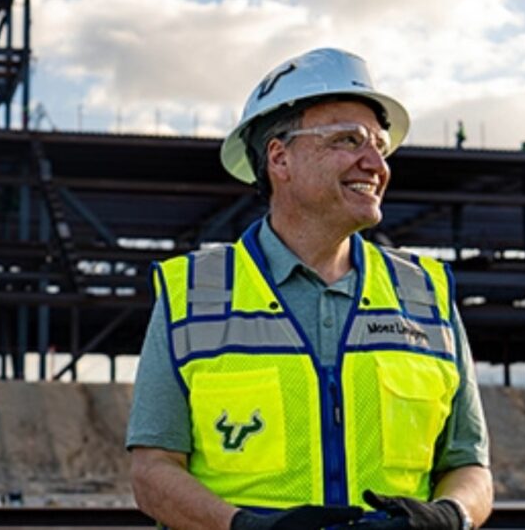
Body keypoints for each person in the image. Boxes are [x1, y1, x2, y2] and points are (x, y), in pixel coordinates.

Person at [127, 48, 492, 530]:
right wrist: (246, 527)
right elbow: (152, 471)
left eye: (380, 147)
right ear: (280, 158)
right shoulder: (193, 294)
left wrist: (447, 516)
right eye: (349, 140)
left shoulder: (425, 294)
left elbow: (470, 467)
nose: (375, 164)